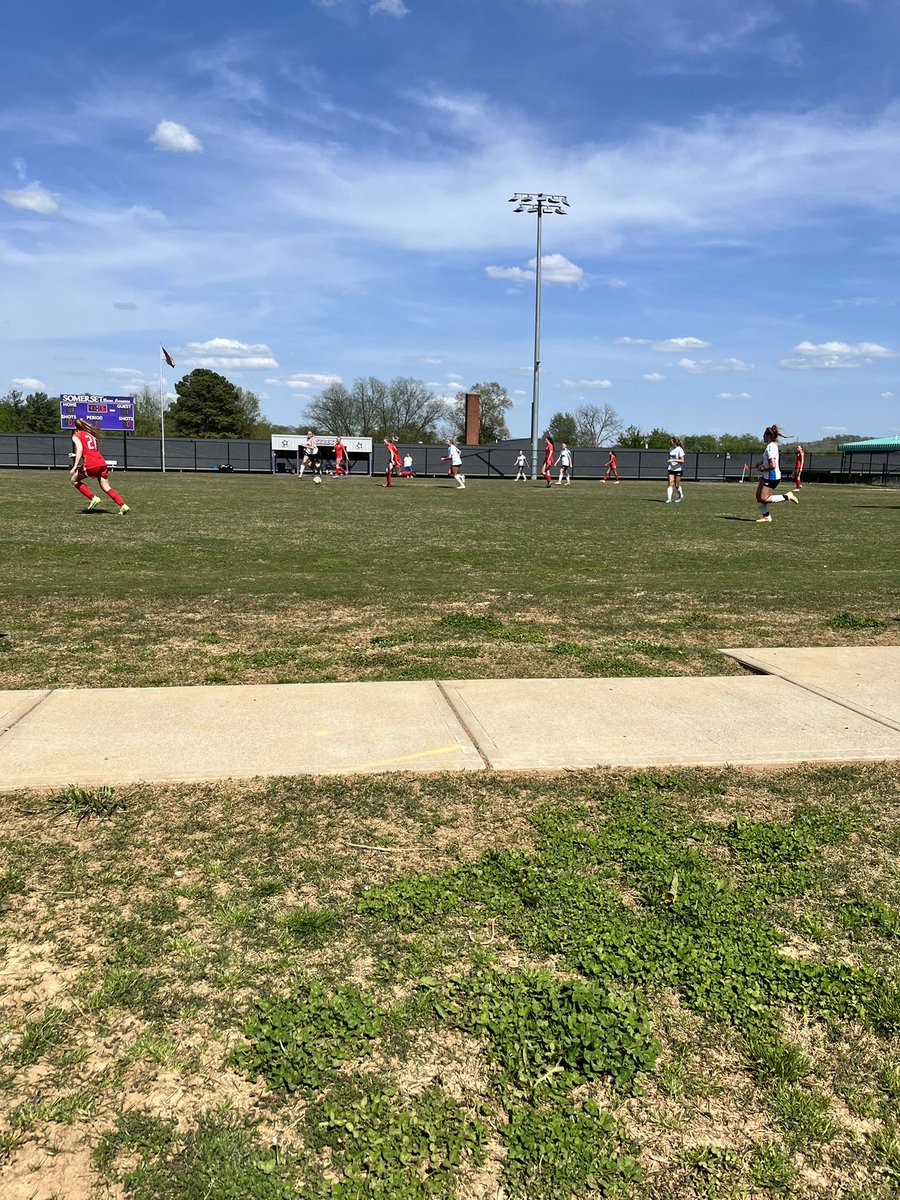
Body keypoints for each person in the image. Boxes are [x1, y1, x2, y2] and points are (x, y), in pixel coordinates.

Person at [69, 418, 129, 515]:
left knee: (74, 480)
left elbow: (80, 449)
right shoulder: (91, 436)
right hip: (101, 462)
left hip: (91, 464)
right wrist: (75, 455)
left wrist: (75, 466)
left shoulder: (76, 435)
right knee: (106, 487)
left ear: (76, 427)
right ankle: (123, 505)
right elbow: (90, 450)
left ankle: (93, 498)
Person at [755, 424, 800, 523]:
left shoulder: (771, 447)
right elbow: (768, 460)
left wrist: (762, 468)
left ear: (768, 436)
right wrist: (761, 463)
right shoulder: (771, 446)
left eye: (764, 435)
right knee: (758, 496)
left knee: (763, 498)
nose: (763, 437)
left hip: (772, 477)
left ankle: (787, 496)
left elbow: (773, 465)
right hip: (767, 475)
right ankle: (766, 516)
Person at [665, 437, 685, 503]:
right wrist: (669, 461)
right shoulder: (670, 449)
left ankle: (680, 496)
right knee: (670, 483)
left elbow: (682, 460)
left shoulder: (680, 449)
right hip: (671, 468)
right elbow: (669, 457)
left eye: (671, 441)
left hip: (678, 469)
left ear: (675, 442)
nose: (670, 442)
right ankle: (669, 499)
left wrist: (673, 460)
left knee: (676, 485)